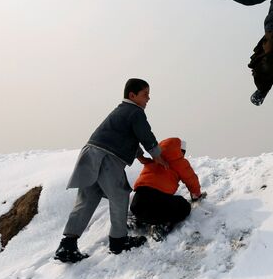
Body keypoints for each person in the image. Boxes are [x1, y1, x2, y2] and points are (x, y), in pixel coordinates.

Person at [54, 78, 168, 263]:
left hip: (90, 154)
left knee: (87, 199)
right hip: (108, 157)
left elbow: (128, 135)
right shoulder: (135, 112)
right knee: (120, 195)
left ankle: (67, 244)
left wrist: (139, 156)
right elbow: (145, 135)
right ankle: (118, 241)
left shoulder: (121, 111)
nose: (148, 98)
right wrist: (158, 156)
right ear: (133, 95)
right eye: (145, 94)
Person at [130, 137, 205, 240]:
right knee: (184, 206)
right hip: (157, 207)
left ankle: (136, 220)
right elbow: (191, 180)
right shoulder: (180, 162)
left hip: (137, 205)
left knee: (146, 208)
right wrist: (196, 195)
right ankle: (160, 225)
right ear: (180, 151)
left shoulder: (154, 159)